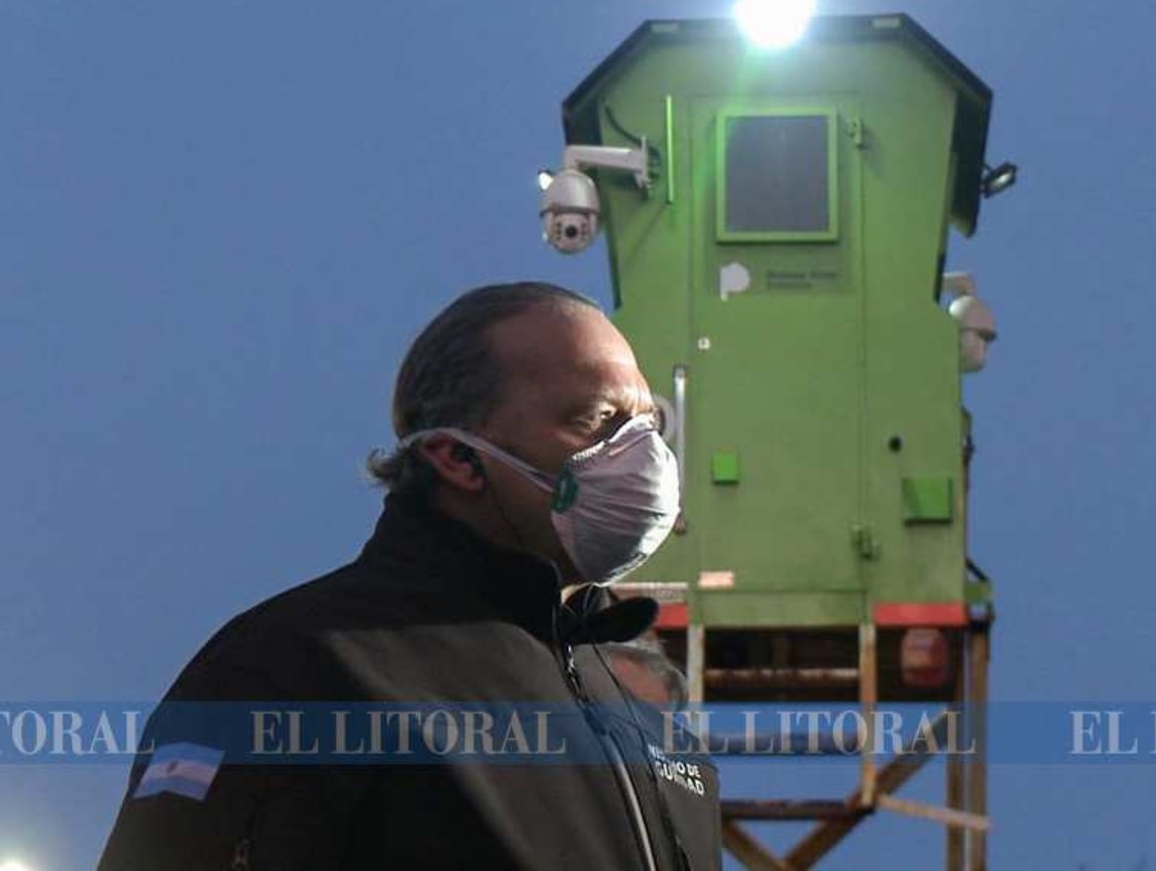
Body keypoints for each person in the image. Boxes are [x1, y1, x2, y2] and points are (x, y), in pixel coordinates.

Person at [98, 282, 719, 870]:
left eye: (646, 425)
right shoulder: (293, 669)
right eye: (597, 420)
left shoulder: (646, 713)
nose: (642, 455)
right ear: (456, 457)